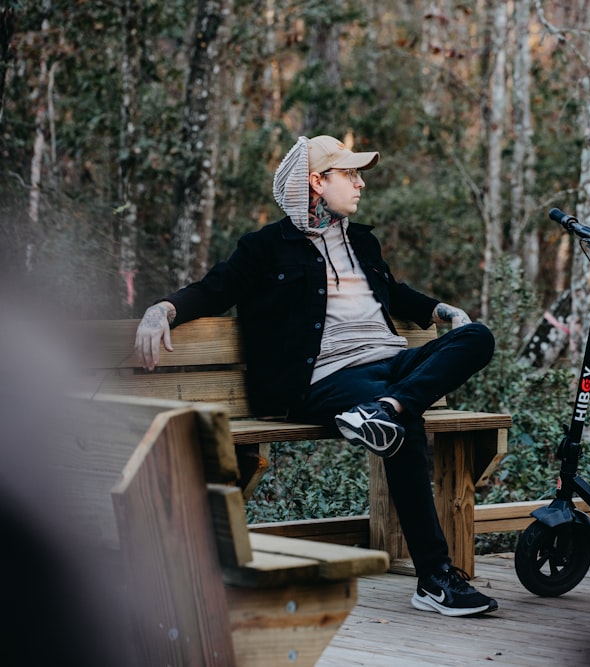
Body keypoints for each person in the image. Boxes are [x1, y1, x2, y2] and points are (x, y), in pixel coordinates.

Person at [134, 134, 499, 617]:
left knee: (478, 337)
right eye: (349, 174)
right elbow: (215, 288)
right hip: (324, 380)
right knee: (403, 425)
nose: (360, 183)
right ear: (315, 182)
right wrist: (163, 309)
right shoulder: (266, 248)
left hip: (390, 367)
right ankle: (434, 579)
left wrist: (439, 309)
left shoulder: (362, 241)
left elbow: (394, 292)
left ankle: (385, 410)